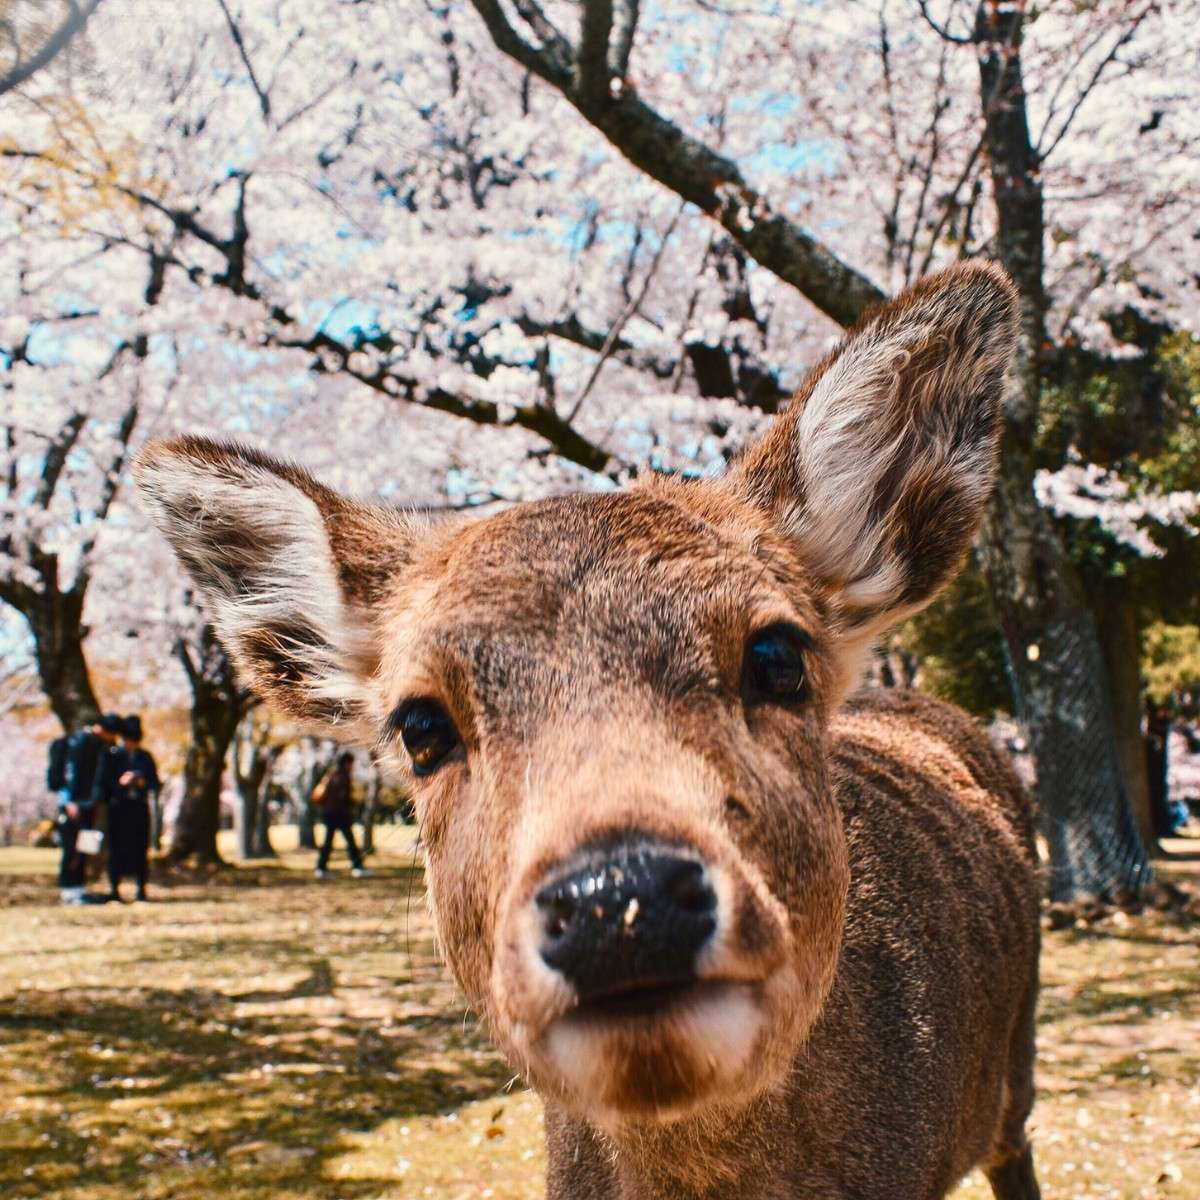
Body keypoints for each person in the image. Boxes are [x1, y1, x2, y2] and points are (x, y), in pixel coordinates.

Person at [56, 713, 123, 905]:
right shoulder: (80, 742)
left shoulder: (100, 747)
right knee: (71, 848)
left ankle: (79, 886)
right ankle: (68, 889)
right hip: (75, 804)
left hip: (90, 804)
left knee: (85, 847)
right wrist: (70, 801)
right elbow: (71, 774)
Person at [98, 715, 159, 902]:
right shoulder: (112, 756)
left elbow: (155, 783)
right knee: (116, 849)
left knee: (140, 849)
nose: (130, 744)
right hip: (118, 808)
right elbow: (103, 785)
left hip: (139, 808)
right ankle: (114, 889)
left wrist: (142, 782)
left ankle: (141, 889)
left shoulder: (145, 757)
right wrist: (121, 783)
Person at [314, 752, 369, 879]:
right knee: (350, 842)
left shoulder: (331, 775)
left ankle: (321, 868)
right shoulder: (344, 777)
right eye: (352, 764)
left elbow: (323, 797)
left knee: (328, 842)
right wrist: (354, 802)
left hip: (329, 813)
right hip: (340, 814)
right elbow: (343, 797)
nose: (353, 766)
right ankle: (357, 867)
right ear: (347, 763)